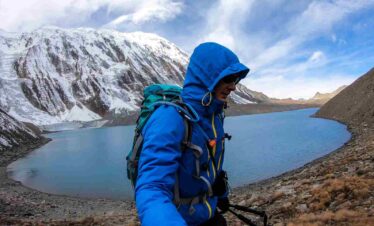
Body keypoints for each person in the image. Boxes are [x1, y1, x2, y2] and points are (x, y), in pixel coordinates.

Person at [135, 42, 250, 226]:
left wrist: (221, 194)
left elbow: (208, 164)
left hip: (208, 213)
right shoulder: (169, 118)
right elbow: (152, 189)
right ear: (207, 77)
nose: (233, 87)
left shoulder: (214, 115)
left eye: (236, 79)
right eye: (229, 78)